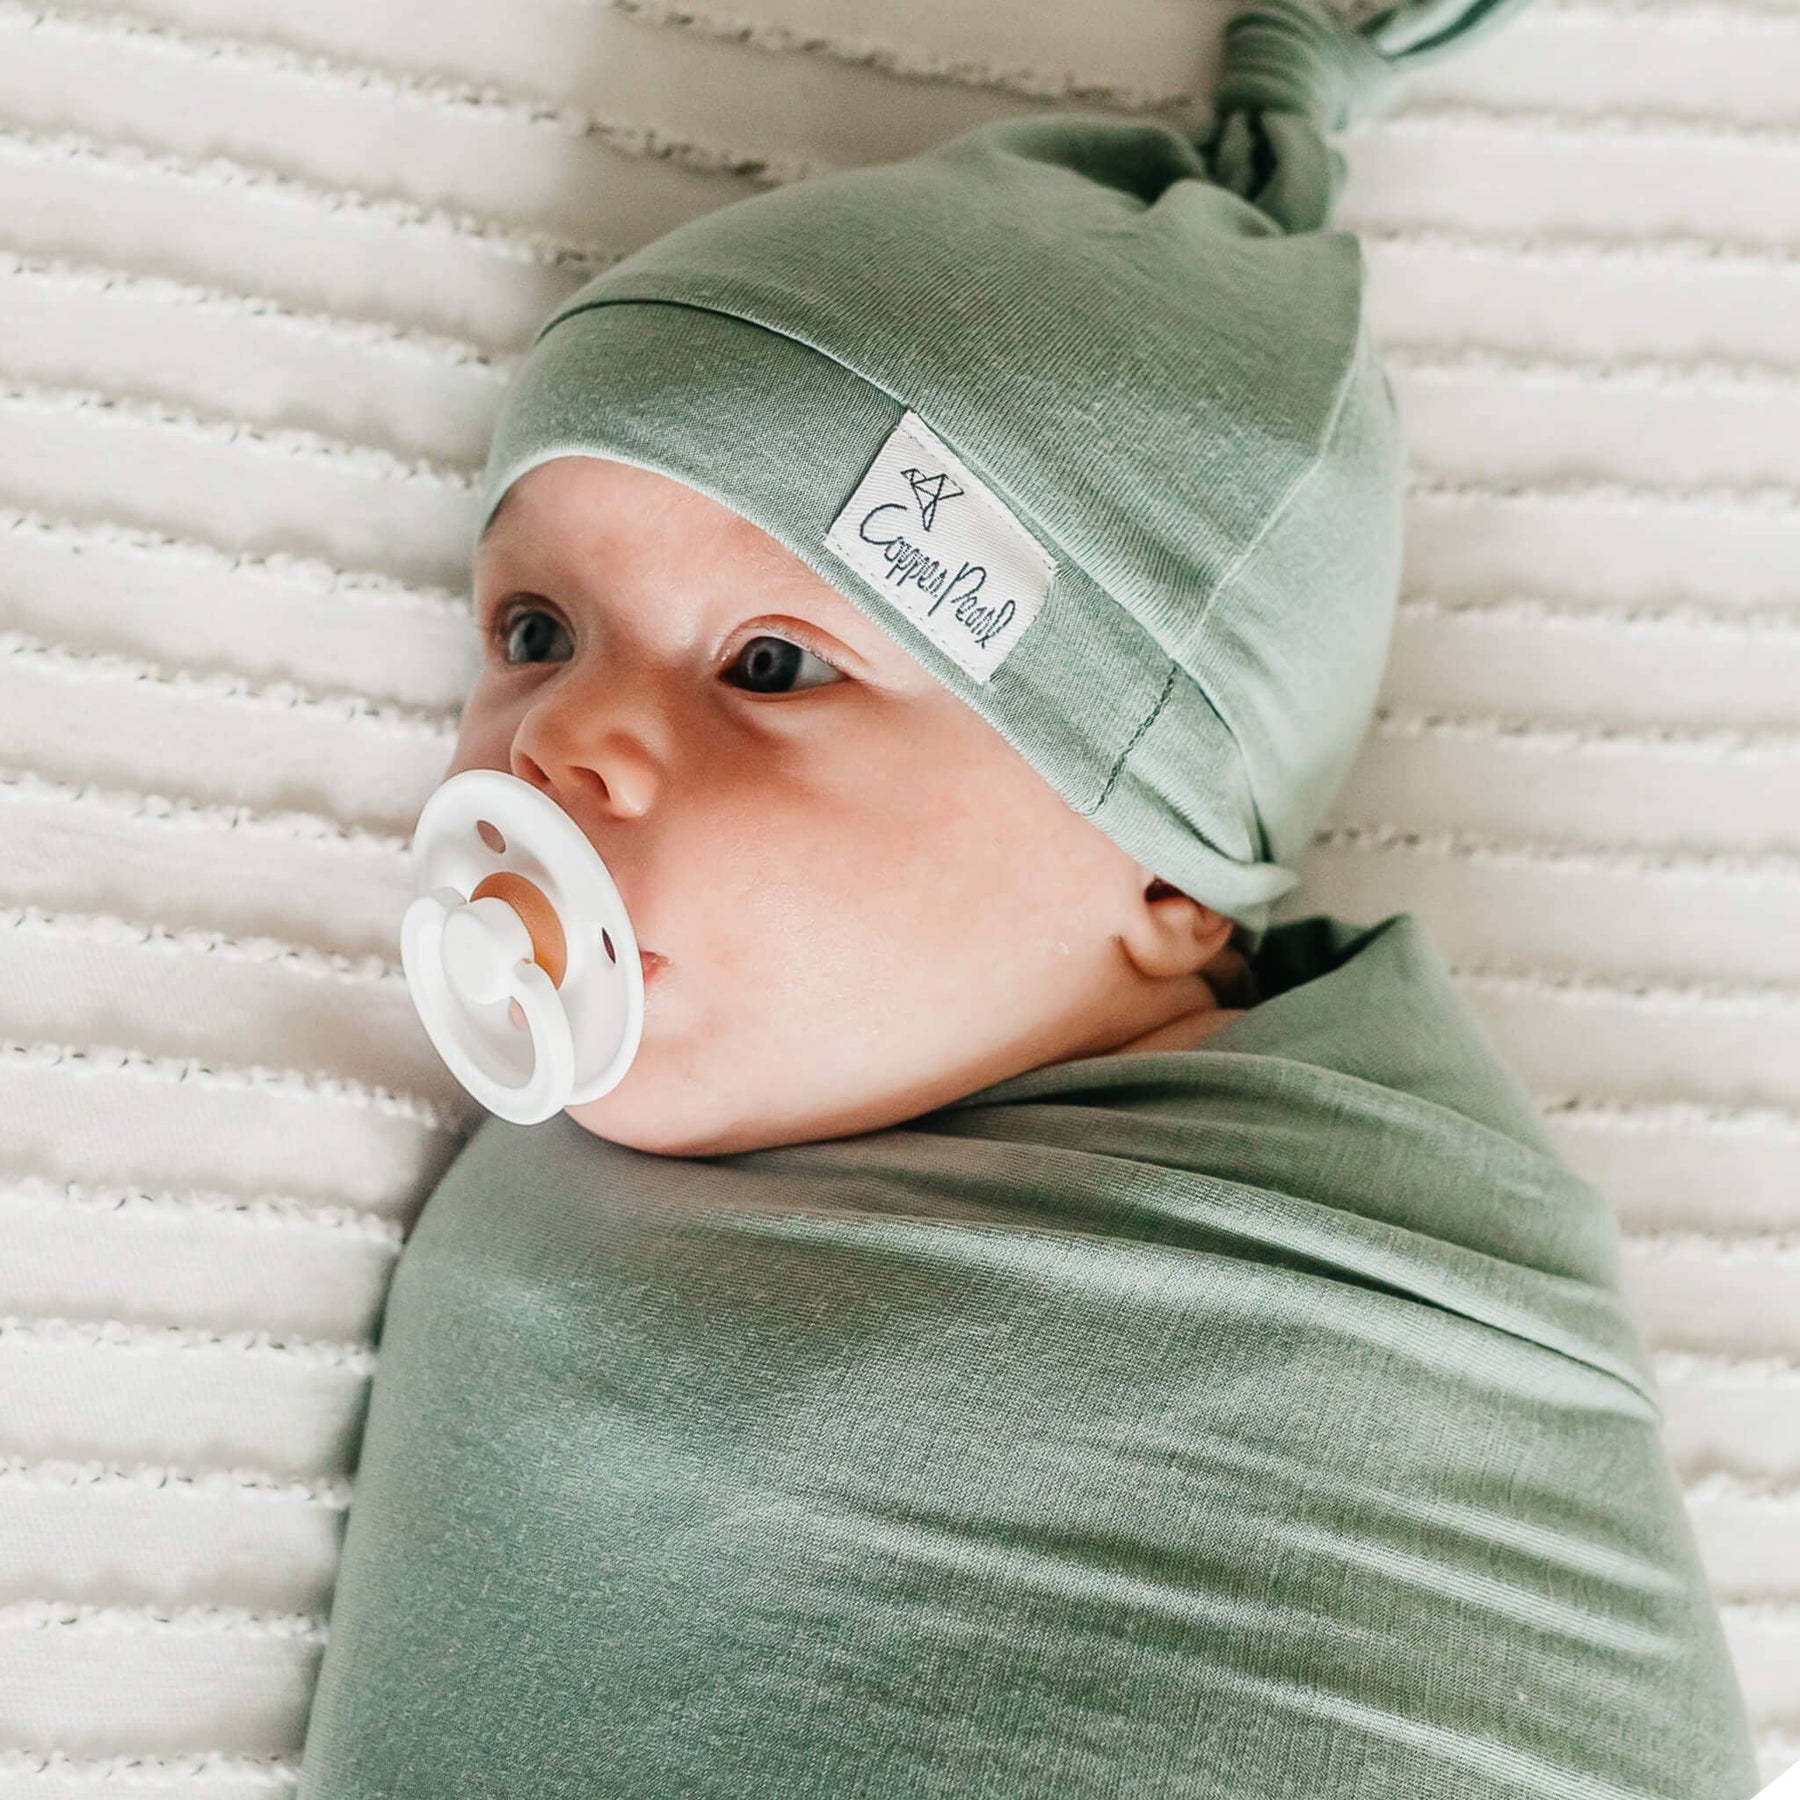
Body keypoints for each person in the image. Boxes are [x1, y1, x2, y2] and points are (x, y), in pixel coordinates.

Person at [294, 0, 1763, 1792]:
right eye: (535, 630)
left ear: (1164, 879)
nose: (555, 739)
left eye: (772, 663)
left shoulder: (1373, 1314)